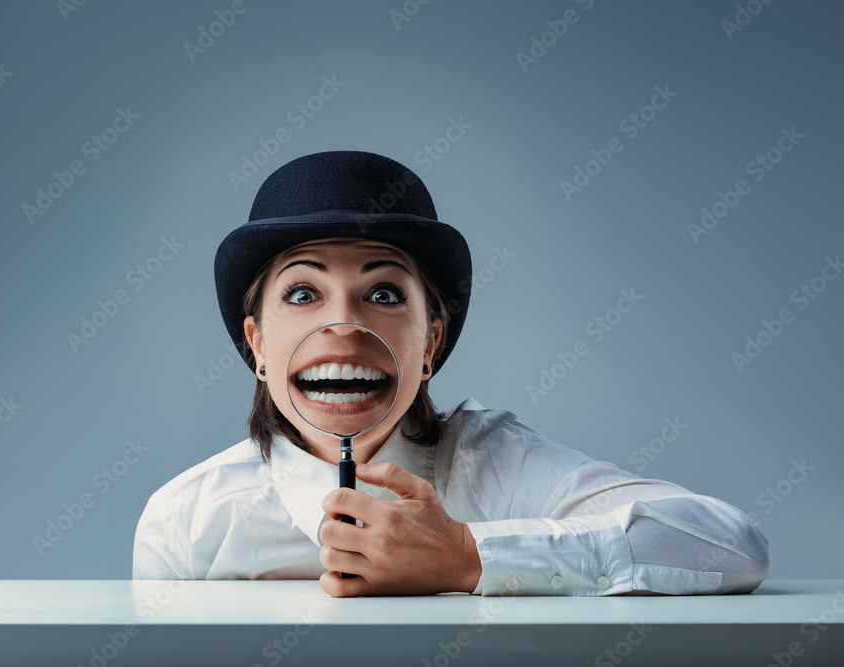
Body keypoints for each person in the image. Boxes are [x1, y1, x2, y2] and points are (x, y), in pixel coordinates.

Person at [132, 150, 770, 597]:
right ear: (258, 342)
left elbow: (731, 548)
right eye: (303, 295)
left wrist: (468, 557)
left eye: (384, 294)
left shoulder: (496, 465)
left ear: (431, 340)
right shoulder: (187, 521)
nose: (346, 325)